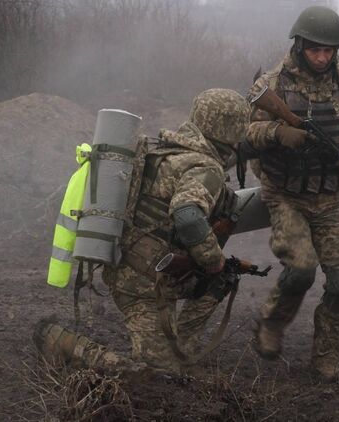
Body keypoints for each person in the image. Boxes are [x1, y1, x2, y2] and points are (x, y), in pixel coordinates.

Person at [34, 88, 251, 373]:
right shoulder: (205, 167)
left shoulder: (164, 151)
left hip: (135, 267)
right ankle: (64, 344)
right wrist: (213, 260)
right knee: (154, 377)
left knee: (219, 282)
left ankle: (178, 348)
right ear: (232, 131)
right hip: (145, 285)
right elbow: (187, 215)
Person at [246, 5, 339, 380]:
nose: (321, 57)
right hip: (285, 195)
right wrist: (278, 132)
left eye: (328, 50)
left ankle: (326, 357)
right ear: (300, 45)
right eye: (315, 49)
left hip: (330, 198)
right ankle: (272, 324)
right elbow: (248, 133)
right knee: (302, 270)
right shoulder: (272, 84)